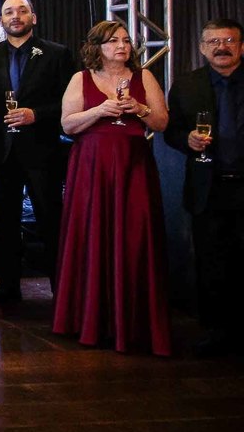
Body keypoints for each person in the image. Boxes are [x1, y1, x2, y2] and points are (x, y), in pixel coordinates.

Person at [53, 21, 170, 355]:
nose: (122, 46)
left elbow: (162, 123)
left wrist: (141, 109)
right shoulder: (81, 79)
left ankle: (133, 321)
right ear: (98, 47)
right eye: (113, 41)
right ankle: (90, 318)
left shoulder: (144, 77)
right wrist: (99, 111)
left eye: (126, 40)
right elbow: (67, 124)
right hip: (92, 166)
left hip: (133, 166)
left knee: (135, 235)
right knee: (92, 233)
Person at [0, 0, 76, 304]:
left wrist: (36, 114)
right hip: (0, 153)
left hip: (42, 151)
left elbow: (70, 102)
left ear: (34, 17)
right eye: (8, 12)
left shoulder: (57, 54)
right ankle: (8, 286)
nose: (15, 16)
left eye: (22, 11)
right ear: (1, 20)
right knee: (5, 222)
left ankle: (61, 287)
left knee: (50, 219)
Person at [164, 18, 244, 357]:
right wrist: (187, 140)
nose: (221, 47)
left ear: (241, 46)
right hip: (208, 188)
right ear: (201, 48)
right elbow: (171, 131)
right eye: (213, 42)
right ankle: (217, 331)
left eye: (228, 40)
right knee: (212, 263)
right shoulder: (187, 85)